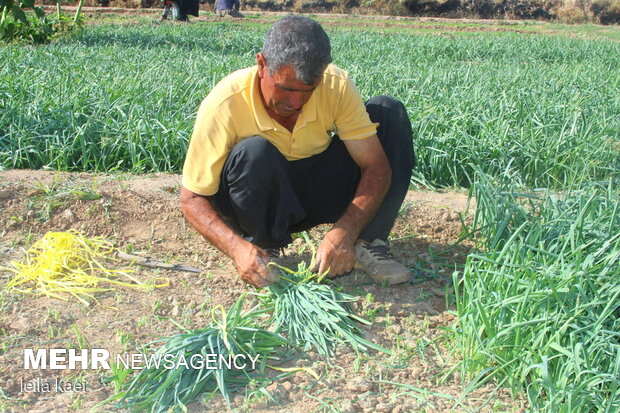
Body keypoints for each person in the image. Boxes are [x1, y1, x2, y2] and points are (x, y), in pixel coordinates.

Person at [181, 16, 415, 288]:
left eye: (308, 91)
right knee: (253, 152)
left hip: (315, 186)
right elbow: (191, 198)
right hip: (261, 194)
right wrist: (236, 248)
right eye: (286, 88)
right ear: (261, 64)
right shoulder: (226, 102)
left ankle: (368, 242)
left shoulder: (335, 85)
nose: (296, 102)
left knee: (389, 113)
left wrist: (346, 231)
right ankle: (264, 247)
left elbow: (376, 166)